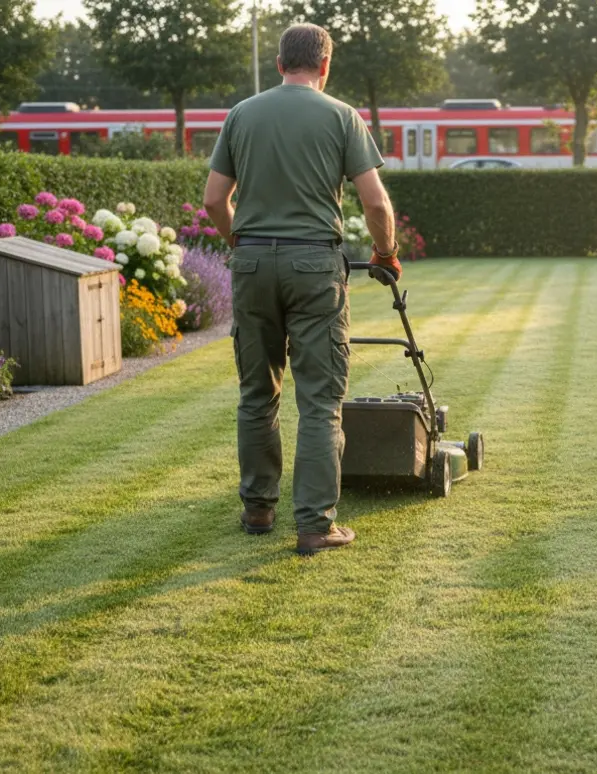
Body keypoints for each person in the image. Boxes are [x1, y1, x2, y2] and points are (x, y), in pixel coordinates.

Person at [202, 22, 402, 556]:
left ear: (279, 64)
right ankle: (315, 526)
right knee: (319, 401)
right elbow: (376, 203)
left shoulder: (241, 114)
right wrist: (385, 253)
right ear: (326, 65)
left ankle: (258, 509)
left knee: (256, 393)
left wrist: (240, 242)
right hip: (314, 266)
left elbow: (215, 200)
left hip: (250, 263)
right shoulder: (342, 116)